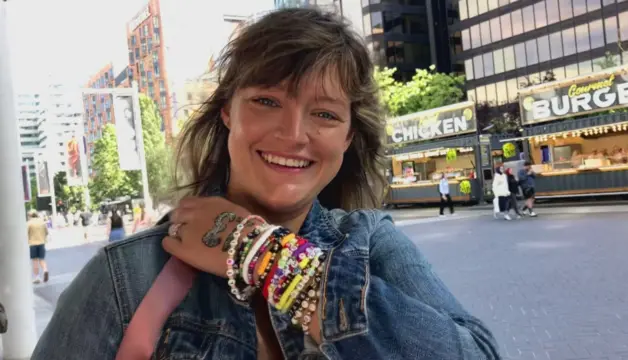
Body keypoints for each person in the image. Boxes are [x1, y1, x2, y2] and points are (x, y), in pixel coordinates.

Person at [33, 9, 499, 359]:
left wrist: (263, 256)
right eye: (266, 101)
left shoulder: (370, 243)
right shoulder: (127, 275)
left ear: (348, 137)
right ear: (226, 113)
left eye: (324, 114)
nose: (294, 135)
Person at [27, 211, 49, 284]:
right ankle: (45, 270)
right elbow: (46, 232)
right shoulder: (42, 222)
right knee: (42, 259)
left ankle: (37, 277)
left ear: (30, 216)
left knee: (35, 261)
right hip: (42, 243)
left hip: (33, 244)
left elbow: (25, 233)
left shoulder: (29, 223)